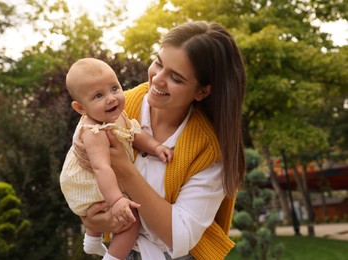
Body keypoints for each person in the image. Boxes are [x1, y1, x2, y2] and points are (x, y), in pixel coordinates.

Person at [75, 21, 246, 260]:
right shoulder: (115, 107)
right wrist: (92, 218)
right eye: (158, 63)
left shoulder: (208, 149)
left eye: (175, 78)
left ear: (202, 92)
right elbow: (81, 178)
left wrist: (123, 169)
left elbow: (179, 237)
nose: (157, 79)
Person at [60, 58, 173, 259]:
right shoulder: (94, 132)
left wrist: (156, 147)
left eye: (114, 88)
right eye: (98, 96)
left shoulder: (117, 116)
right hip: (91, 183)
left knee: (119, 214)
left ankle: (92, 241)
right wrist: (118, 200)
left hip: (102, 181)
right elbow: (102, 168)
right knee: (132, 220)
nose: (111, 98)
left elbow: (135, 134)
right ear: (81, 108)